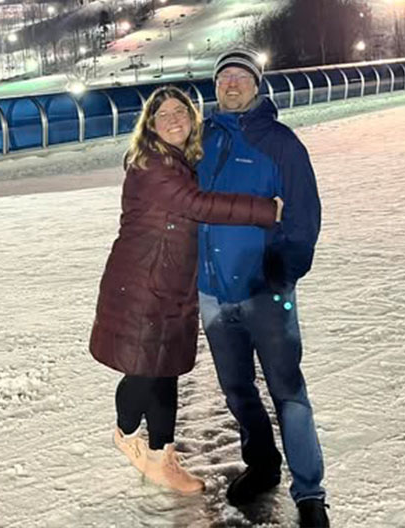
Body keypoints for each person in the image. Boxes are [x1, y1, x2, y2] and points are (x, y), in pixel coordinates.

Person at [90, 85, 283, 494]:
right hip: (142, 283)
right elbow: (199, 205)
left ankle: (162, 456)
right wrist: (266, 210)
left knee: (167, 371)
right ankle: (126, 433)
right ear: (150, 126)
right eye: (164, 115)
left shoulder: (183, 161)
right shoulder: (152, 164)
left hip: (173, 283)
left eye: (181, 111)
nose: (174, 119)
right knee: (144, 371)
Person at [197, 49, 328, 528]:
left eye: (240, 77)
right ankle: (262, 464)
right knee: (236, 389)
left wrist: (282, 270)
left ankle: (310, 492)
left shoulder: (281, 144)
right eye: (223, 78)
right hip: (212, 292)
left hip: (264, 290)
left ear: (257, 85)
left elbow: (304, 217)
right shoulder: (201, 140)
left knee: (287, 390)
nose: (231, 84)